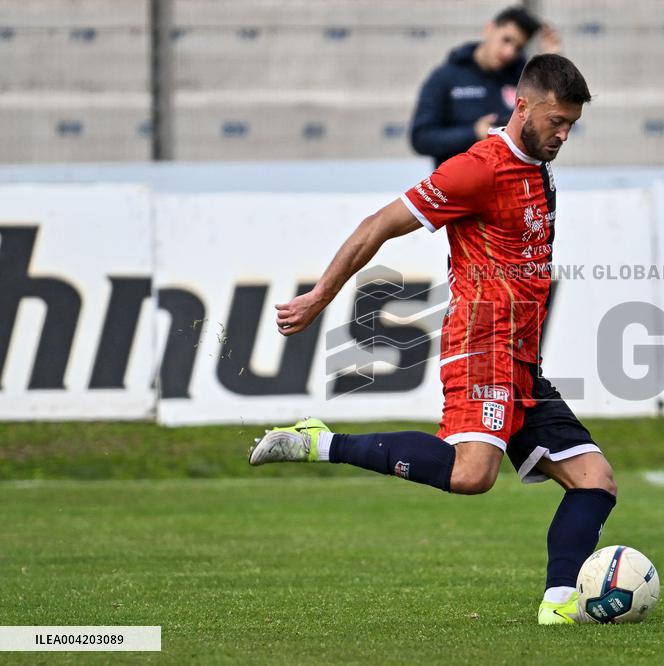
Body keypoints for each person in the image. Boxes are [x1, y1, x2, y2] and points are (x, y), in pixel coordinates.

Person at [249, 54, 616, 626]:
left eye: (571, 125)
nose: (564, 134)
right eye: (556, 122)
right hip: (482, 344)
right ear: (521, 106)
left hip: (521, 358)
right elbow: (378, 224)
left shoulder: (535, 162)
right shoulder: (476, 169)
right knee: (472, 474)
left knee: (594, 480)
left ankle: (560, 605)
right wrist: (321, 295)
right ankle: (323, 443)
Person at [409, 5, 561, 167]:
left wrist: (553, 63)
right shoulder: (445, 77)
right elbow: (421, 138)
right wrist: (474, 132)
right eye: (506, 40)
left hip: (510, 185)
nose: (509, 52)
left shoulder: (523, 77)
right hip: (458, 187)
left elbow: (551, 114)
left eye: (518, 47)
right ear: (490, 29)